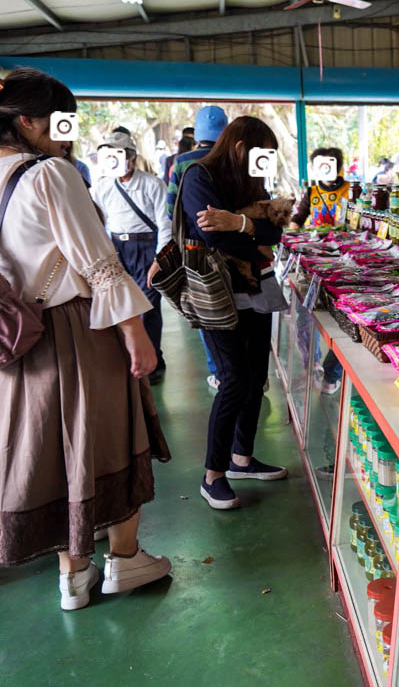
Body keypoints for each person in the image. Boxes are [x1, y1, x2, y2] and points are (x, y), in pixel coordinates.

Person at [0, 67, 171, 610]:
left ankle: (73, 577)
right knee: (112, 435)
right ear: (26, 121)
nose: (68, 132)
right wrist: (136, 333)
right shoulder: (50, 173)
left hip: (17, 337)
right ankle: (125, 560)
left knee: (51, 450)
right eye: (59, 120)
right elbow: (97, 264)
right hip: (74, 327)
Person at [168, 116, 289, 510]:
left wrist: (239, 222)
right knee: (233, 379)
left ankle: (242, 458)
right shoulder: (199, 176)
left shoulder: (252, 181)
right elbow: (212, 236)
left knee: (255, 379)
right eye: (261, 154)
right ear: (240, 148)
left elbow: (276, 230)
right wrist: (254, 236)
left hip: (256, 289)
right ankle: (213, 475)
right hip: (216, 293)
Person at [92, 131, 169, 384]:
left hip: (146, 249)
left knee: (148, 307)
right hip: (117, 249)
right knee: (122, 307)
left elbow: (164, 223)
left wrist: (160, 258)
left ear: (132, 158)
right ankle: (133, 360)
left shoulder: (152, 184)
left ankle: (153, 361)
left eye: (120, 154)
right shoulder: (102, 187)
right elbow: (97, 221)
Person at [163, 105, 229, 391]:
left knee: (206, 306)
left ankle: (218, 370)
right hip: (231, 242)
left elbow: (170, 208)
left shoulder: (183, 162)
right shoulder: (232, 158)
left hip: (195, 247)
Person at [290, 146, 350, 230]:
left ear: (337, 166)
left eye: (329, 164)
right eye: (322, 165)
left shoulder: (351, 189)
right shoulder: (311, 191)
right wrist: (293, 229)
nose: (326, 168)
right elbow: (299, 217)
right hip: (317, 240)